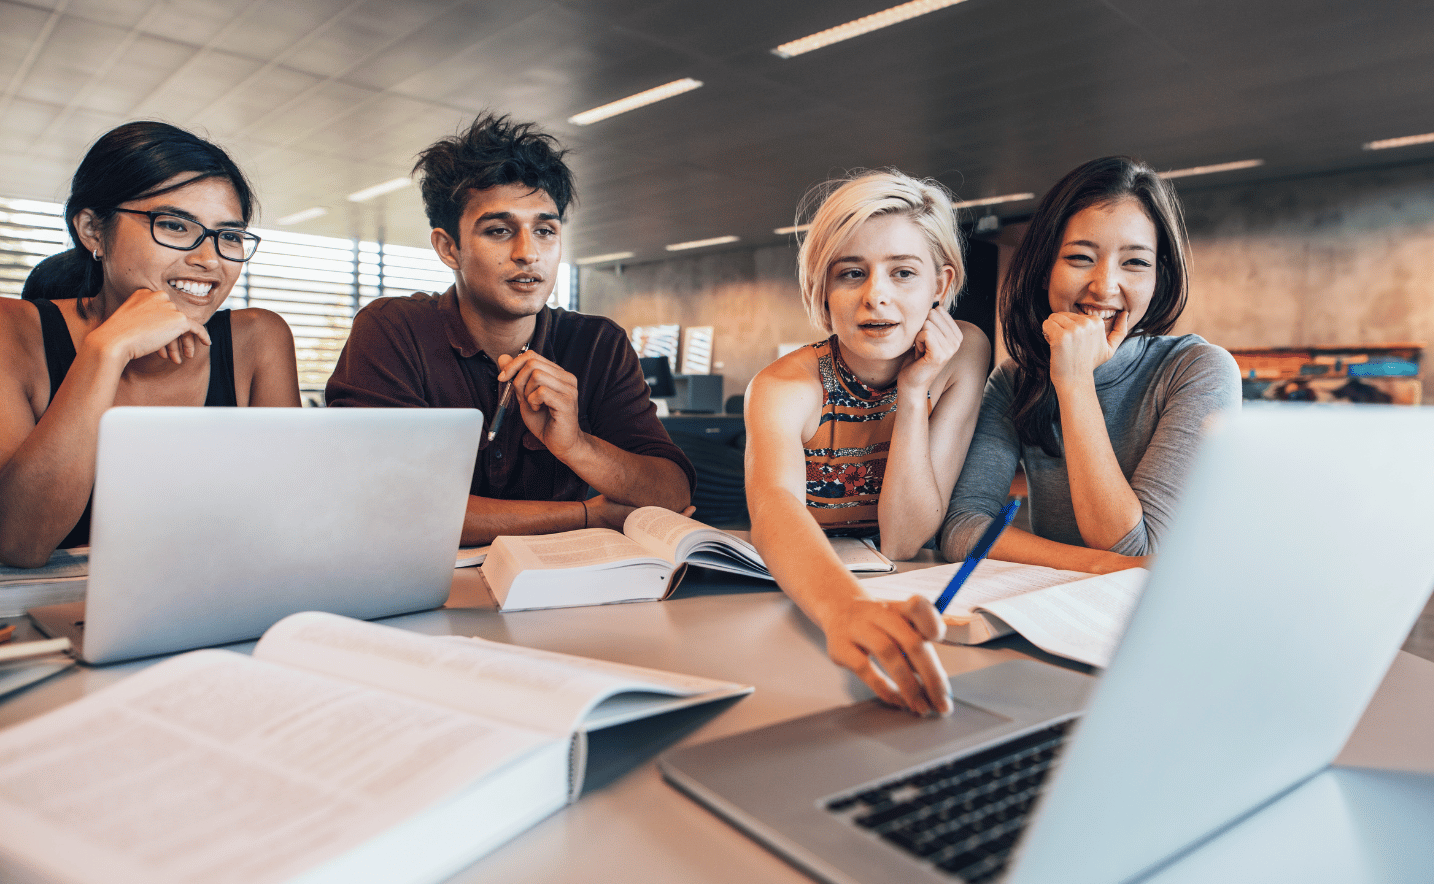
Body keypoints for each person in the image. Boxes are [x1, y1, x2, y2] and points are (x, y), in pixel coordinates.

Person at [325, 113, 693, 546]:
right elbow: (389, 506)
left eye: (545, 230)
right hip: (428, 589)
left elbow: (672, 493)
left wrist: (575, 445)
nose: (528, 253)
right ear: (448, 248)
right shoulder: (393, 330)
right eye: (499, 231)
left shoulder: (597, 343)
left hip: (560, 591)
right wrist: (585, 516)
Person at [745, 169, 991, 717]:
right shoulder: (784, 385)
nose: (876, 296)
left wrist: (913, 392)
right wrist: (843, 610)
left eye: (903, 272)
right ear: (822, 289)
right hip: (799, 596)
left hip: (900, 588)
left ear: (941, 285)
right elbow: (773, 507)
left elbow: (904, 538)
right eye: (851, 273)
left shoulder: (963, 354)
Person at [0, 121, 300, 568]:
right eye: (176, 226)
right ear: (93, 231)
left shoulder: (258, 340)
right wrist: (107, 350)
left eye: (229, 236)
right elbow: (19, 543)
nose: (208, 260)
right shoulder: (14, 330)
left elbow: (290, 524)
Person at [941, 156, 1241, 570]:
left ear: (1159, 278)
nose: (1104, 287)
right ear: (1044, 269)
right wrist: (1094, 565)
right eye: (1081, 257)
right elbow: (961, 528)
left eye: (1135, 262)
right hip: (1059, 610)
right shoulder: (1014, 380)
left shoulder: (1199, 371)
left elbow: (1134, 548)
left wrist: (1075, 381)